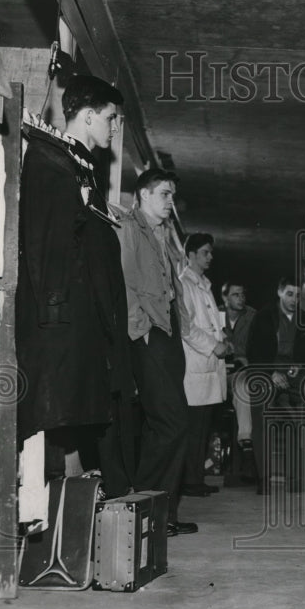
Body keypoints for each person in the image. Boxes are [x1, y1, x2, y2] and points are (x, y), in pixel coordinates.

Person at [16, 74, 133, 497]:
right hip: (61, 322)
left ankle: (76, 507)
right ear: (86, 116)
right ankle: (59, 519)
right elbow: (48, 245)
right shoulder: (51, 162)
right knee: (59, 421)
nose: (115, 128)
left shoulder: (82, 168)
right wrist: (55, 315)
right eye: (111, 118)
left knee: (77, 421)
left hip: (82, 321)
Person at [118, 166, 196, 536]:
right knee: (173, 422)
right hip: (148, 335)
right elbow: (125, 286)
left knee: (159, 425)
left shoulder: (161, 233)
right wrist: (141, 333)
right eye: (164, 194)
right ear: (143, 194)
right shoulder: (128, 228)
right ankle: (146, 509)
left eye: (172, 195)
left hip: (167, 335)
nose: (171, 202)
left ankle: (157, 513)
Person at [247, 276, 305, 492]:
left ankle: (298, 477)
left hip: (292, 375)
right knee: (261, 417)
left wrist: (298, 366)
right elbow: (253, 352)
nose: (294, 299)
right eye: (289, 294)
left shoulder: (304, 318)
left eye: (297, 295)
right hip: (266, 373)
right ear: (279, 292)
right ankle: (264, 479)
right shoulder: (262, 317)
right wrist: (272, 372)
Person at [178, 233, 229, 497]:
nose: (210, 257)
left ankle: (195, 477)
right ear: (191, 255)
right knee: (194, 429)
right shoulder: (184, 284)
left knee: (202, 428)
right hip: (196, 365)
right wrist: (213, 345)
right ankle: (189, 480)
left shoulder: (203, 284)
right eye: (205, 252)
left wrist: (221, 338)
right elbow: (185, 327)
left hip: (208, 366)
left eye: (210, 253)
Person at [221, 281, 256, 447]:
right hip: (216, 371)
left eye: (243, 294)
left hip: (240, 372)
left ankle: (245, 437)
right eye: (235, 294)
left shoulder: (253, 316)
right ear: (225, 298)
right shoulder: (214, 313)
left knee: (242, 384)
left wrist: (242, 359)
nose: (241, 298)